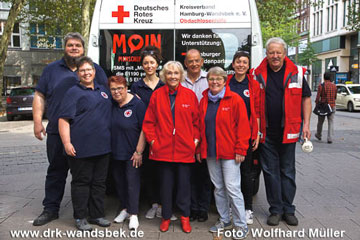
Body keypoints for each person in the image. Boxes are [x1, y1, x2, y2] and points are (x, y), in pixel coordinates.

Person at [32, 32, 107, 226]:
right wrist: (37, 121)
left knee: (85, 177)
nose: (74, 48)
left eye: (78, 45)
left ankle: (91, 213)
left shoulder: (95, 69)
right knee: (56, 171)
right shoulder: (51, 70)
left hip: (87, 137)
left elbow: (109, 93)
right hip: (58, 132)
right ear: (64, 47)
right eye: (70, 45)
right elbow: (40, 95)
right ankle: (50, 209)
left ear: (83, 49)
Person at [254, 37, 312, 226]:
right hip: (266, 132)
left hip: (290, 130)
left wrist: (306, 125)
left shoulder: (297, 72)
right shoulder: (257, 73)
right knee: (270, 172)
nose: (275, 56)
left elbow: (306, 99)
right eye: (272, 52)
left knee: (287, 171)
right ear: (267, 54)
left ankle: (288, 209)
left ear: (284, 53)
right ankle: (275, 210)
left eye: (278, 52)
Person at [142, 61, 200, 233]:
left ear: (181, 75)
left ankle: (184, 217)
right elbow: (149, 123)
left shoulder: (190, 95)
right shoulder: (157, 95)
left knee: (184, 186)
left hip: (185, 150)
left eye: (176, 73)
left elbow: (197, 123)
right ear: (164, 76)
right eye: (169, 73)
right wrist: (153, 142)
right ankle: (166, 217)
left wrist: (194, 142)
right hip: (163, 150)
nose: (173, 76)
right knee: (165, 187)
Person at [58, 56, 112, 231]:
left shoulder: (104, 91)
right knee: (81, 183)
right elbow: (63, 120)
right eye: (82, 70)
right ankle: (80, 217)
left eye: (89, 69)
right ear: (78, 73)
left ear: (94, 72)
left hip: (103, 148)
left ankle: (97, 215)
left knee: (99, 183)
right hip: (81, 149)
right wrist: (66, 143)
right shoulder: (72, 92)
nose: (86, 73)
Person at [197, 66, 251, 240]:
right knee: (219, 188)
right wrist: (199, 148)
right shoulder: (204, 99)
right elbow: (199, 126)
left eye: (218, 79)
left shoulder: (234, 99)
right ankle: (225, 220)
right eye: (211, 78)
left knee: (233, 188)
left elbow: (243, 127)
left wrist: (241, 149)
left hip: (230, 153)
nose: (214, 82)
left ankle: (241, 224)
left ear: (224, 81)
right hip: (211, 152)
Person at [130, 46, 169, 220]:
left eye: (152, 62)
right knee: (149, 172)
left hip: (163, 134)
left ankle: (164, 204)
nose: (149, 65)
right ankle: (154, 204)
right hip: (143, 134)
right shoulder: (136, 86)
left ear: (158, 64)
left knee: (164, 171)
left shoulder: (165, 85)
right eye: (145, 63)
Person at [227, 51, 260, 225]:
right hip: (227, 135)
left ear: (248, 66)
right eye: (238, 62)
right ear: (233, 64)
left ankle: (247, 209)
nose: (241, 65)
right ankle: (233, 208)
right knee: (230, 175)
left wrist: (257, 133)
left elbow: (258, 111)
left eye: (244, 62)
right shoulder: (226, 83)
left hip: (246, 135)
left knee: (246, 174)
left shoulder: (253, 85)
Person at [110, 75, 146, 230]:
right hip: (115, 151)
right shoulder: (111, 104)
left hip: (132, 153)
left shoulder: (137, 104)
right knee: (120, 182)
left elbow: (145, 129)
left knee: (132, 183)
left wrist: (139, 151)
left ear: (126, 88)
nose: (117, 92)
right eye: (113, 89)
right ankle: (124, 209)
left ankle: (134, 214)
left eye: (120, 88)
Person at [181, 49, 211, 222]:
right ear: (186, 63)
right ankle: (192, 208)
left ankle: (203, 208)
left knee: (205, 175)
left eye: (197, 60)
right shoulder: (180, 79)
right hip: (186, 133)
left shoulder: (210, 79)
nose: (193, 64)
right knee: (189, 175)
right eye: (190, 61)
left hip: (206, 133)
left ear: (202, 61)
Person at [315, 72, 337, 144]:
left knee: (320, 122)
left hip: (323, 106)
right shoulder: (334, 86)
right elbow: (335, 97)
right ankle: (330, 138)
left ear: (324, 77)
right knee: (331, 122)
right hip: (332, 106)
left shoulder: (321, 86)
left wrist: (317, 103)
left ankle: (319, 134)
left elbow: (318, 97)